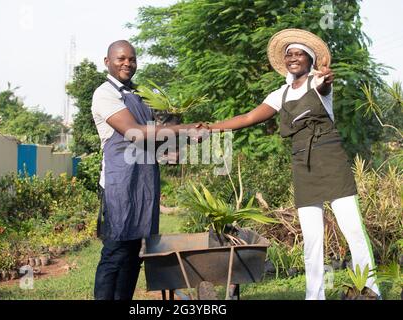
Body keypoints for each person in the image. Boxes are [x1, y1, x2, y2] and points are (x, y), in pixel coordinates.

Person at [208, 29, 380, 300]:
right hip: (303, 165)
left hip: (331, 161)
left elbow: (324, 86)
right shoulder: (281, 94)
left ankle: (370, 290)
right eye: (289, 54)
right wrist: (211, 127)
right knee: (312, 238)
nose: (293, 58)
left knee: (353, 230)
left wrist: (325, 80)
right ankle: (315, 295)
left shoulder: (319, 83)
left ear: (310, 60)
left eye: (300, 54)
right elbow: (248, 117)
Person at [91, 40, 205, 300]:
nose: (127, 63)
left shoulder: (140, 96)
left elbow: (155, 138)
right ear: (107, 61)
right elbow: (135, 132)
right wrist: (185, 128)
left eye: (131, 59)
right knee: (115, 251)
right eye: (121, 59)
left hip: (144, 183)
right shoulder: (105, 94)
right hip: (119, 183)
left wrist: (182, 142)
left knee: (136, 252)